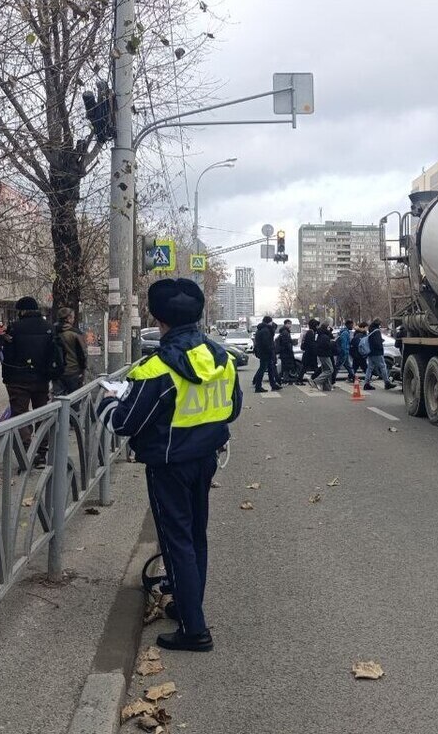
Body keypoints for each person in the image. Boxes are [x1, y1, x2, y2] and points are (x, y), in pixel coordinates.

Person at [101, 278, 241, 652]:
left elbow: (123, 424)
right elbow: (233, 409)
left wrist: (109, 402)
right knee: (195, 536)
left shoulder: (156, 369)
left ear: (158, 318)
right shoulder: (222, 358)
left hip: (168, 465)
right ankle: (186, 604)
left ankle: (194, 630)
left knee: (176, 539)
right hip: (205, 460)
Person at [0, 296, 63, 466]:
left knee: (20, 416)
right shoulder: (48, 327)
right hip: (41, 379)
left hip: (18, 379)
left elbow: (8, 356)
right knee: (42, 414)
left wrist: (7, 378)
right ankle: (41, 453)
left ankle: (27, 452)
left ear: (22, 311)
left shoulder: (15, 328)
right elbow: (54, 353)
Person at [54, 307, 89, 394]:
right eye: (73, 317)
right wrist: (83, 369)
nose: (73, 319)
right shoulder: (75, 334)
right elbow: (82, 353)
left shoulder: (52, 332)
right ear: (68, 318)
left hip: (57, 371)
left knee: (58, 399)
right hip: (73, 371)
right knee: (74, 398)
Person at [362, 318, 396, 391]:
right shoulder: (376, 331)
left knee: (370, 368)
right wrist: (380, 344)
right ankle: (387, 382)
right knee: (383, 366)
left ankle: (366, 383)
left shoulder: (371, 330)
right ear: (378, 323)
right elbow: (377, 343)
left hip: (371, 352)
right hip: (377, 352)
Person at [251, 315, 281, 393]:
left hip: (263, 352)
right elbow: (266, 343)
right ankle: (258, 387)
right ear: (269, 322)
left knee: (270, 369)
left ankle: (273, 385)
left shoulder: (260, 329)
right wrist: (271, 351)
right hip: (266, 353)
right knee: (262, 369)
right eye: (271, 322)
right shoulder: (266, 330)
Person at [313, 320, 335, 391]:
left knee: (325, 370)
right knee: (330, 370)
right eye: (329, 327)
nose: (329, 328)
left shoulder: (320, 334)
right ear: (326, 327)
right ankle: (317, 380)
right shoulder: (324, 336)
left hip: (321, 354)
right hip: (325, 354)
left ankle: (327, 386)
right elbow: (326, 345)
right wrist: (332, 343)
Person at [275, 319, 298, 384]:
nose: (290, 325)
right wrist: (290, 347)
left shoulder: (284, 331)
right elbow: (286, 343)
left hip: (284, 352)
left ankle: (284, 379)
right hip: (286, 352)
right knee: (286, 367)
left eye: (290, 324)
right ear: (286, 324)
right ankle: (285, 379)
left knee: (285, 366)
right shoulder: (285, 332)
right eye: (289, 324)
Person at [332, 318, 353, 383]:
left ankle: (353, 377)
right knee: (338, 366)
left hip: (344, 352)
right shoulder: (345, 333)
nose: (352, 326)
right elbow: (343, 344)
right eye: (351, 325)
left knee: (348, 366)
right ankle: (332, 380)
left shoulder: (344, 332)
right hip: (343, 353)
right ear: (348, 325)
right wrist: (345, 352)